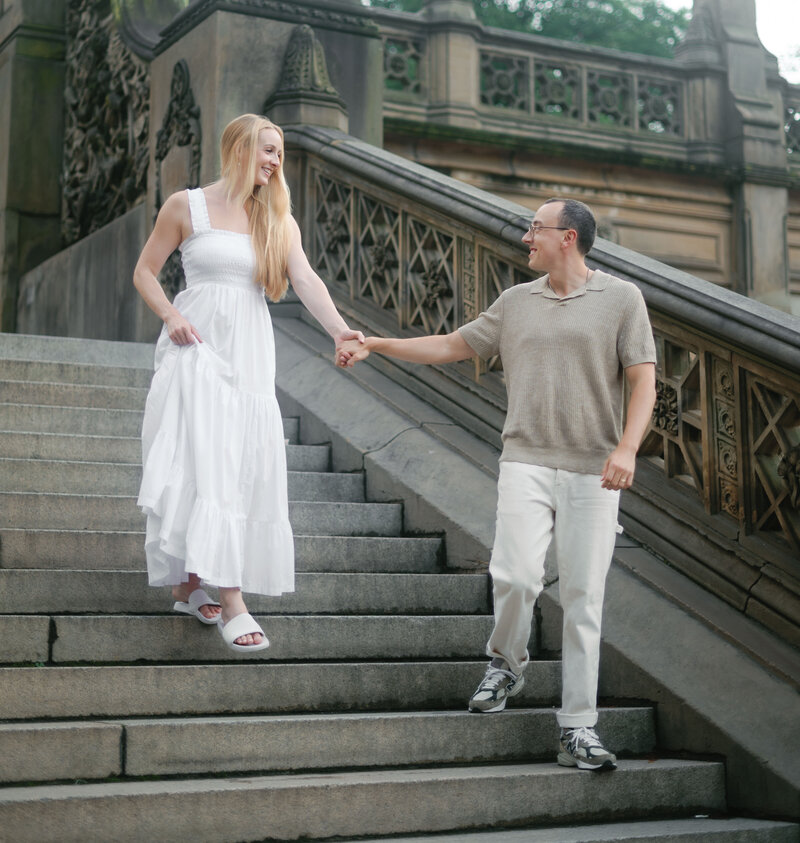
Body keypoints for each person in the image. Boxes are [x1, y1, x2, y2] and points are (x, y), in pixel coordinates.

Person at [339, 198, 656, 769]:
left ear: (570, 238)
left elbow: (643, 382)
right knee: (513, 574)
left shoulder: (621, 299)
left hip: (594, 470)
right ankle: (506, 663)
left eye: (537, 228)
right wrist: (378, 344)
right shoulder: (515, 303)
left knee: (584, 598)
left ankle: (578, 729)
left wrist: (627, 448)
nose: (526, 237)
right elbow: (451, 346)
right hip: (526, 459)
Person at [133, 114, 362, 652]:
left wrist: (340, 331)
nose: (275, 161)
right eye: (268, 150)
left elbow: (304, 277)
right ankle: (231, 598)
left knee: (233, 464)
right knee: (198, 458)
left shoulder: (275, 216)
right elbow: (145, 270)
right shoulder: (184, 206)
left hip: (250, 355)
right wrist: (170, 315)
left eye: (279, 153)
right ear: (237, 148)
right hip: (196, 346)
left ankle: (190, 583)